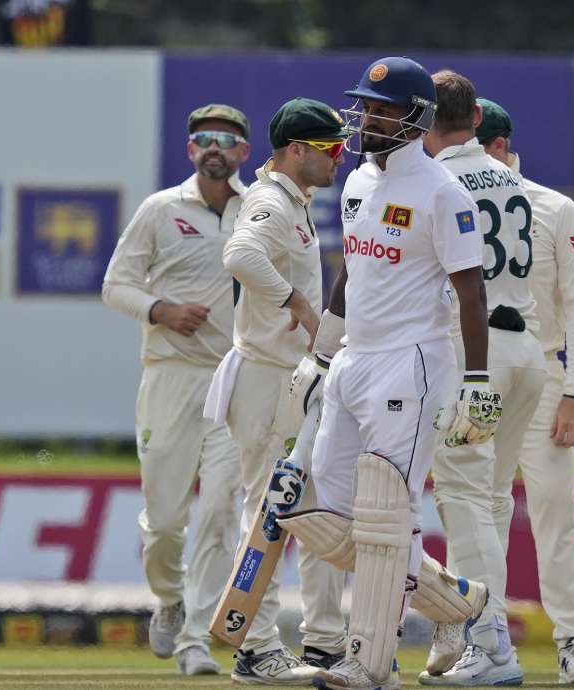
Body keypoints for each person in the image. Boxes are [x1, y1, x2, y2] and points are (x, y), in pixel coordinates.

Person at [276, 57, 500, 690]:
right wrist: (322, 353)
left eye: (382, 109)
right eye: (365, 107)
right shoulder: (354, 186)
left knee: (382, 516)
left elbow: (472, 294)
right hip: (354, 361)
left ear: (416, 117)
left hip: (412, 362)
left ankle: (370, 664)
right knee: (325, 515)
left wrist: (477, 385)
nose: (368, 117)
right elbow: (351, 274)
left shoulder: (442, 191)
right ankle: (461, 604)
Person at [204, 97, 351, 684]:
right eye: (330, 149)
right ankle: (256, 647)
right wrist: (294, 301)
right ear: (297, 151)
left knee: (310, 511)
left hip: (289, 378)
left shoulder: (294, 201)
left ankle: (322, 643)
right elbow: (238, 254)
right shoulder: (269, 200)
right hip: (266, 377)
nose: (339, 159)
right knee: (266, 512)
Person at [102, 104, 247, 677]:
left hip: (235, 380)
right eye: (204, 139)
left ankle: (195, 640)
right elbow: (116, 285)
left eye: (227, 141)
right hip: (170, 374)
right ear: (191, 150)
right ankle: (170, 598)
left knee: (219, 512)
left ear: (243, 151)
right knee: (164, 523)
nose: (215, 148)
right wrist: (161, 309)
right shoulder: (161, 209)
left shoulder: (256, 209)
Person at [419, 71, 545, 686]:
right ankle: (475, 640)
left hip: (477, 354)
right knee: (490, 501)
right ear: (476, 121)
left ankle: (490, 646)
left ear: (424, 119)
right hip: (526, 354)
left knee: (464, 499)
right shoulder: (515, 179)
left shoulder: (438, 179)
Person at [476, 97, 574, 684]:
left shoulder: (554, 207)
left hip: (544, 376)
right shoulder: (449, 199)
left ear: (500, 146)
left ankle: (573, 643)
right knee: (481, 509)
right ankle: (484, 639)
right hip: (475, 373)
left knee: (554, 507)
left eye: (474, 147)